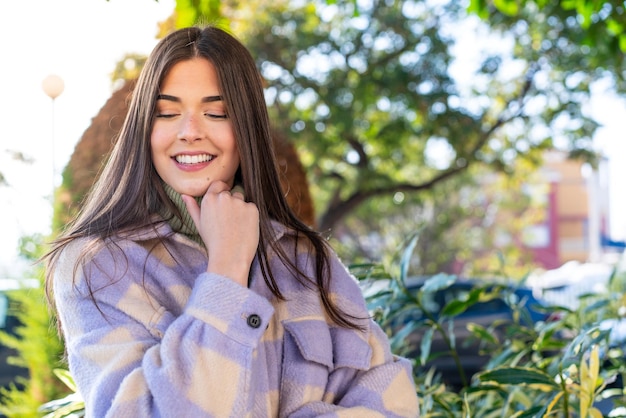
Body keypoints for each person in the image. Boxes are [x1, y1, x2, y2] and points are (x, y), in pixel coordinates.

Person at [44, 25, 420, 417]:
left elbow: (392, 404)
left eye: (217, 112)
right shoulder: (99, 266)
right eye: (167, 112)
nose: (190, 132)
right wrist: (226, 270)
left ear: (246, 128)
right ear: (144, 128)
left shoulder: (308, 260)